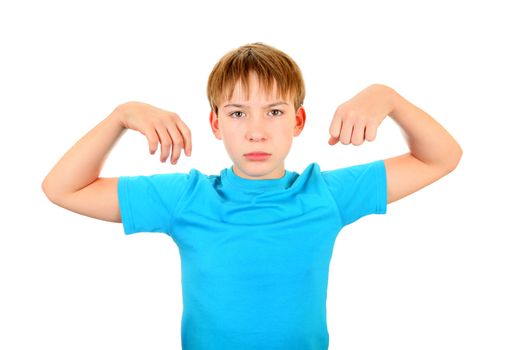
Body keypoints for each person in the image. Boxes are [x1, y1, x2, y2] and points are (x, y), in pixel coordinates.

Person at [42, 42, 462, 350]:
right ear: (216, 122)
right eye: (238, 113)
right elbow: (62, 188)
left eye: (274, 112)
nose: (256, 130)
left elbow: (441, 157)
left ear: (298, 120)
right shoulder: (187, 198)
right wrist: (122, 115)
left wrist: (387, 96)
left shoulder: (325, 193)